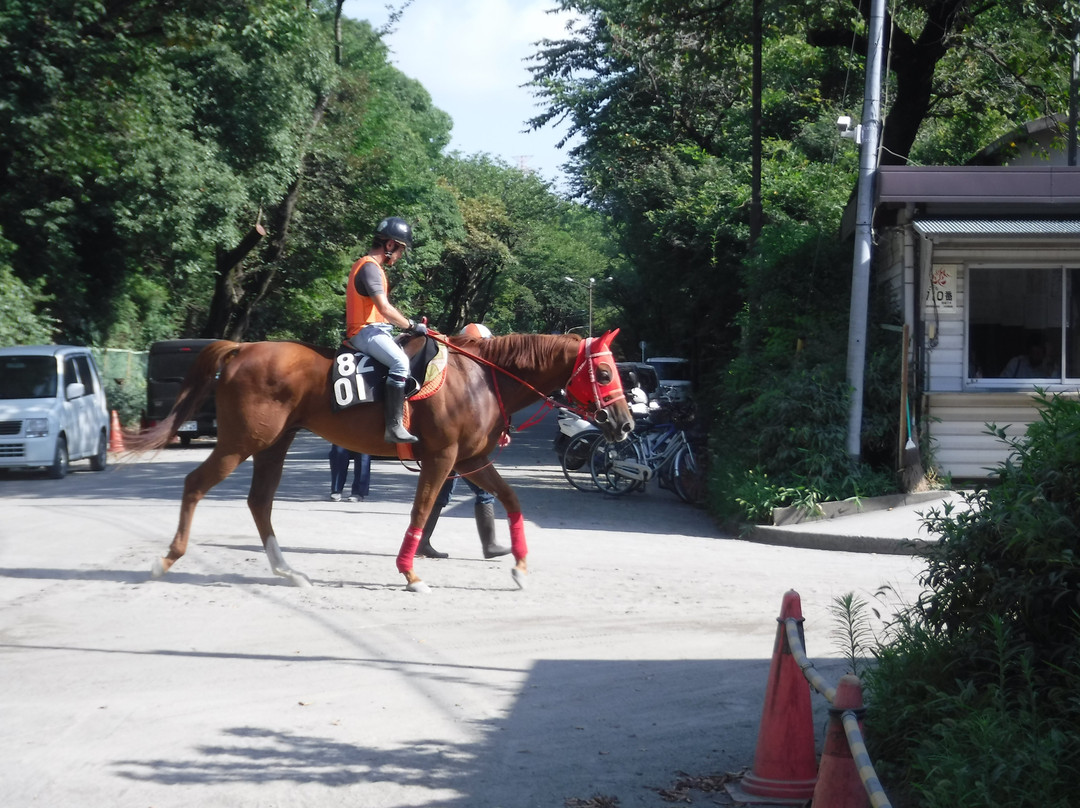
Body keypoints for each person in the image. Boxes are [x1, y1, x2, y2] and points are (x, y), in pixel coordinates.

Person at [417, 322, 511, 560]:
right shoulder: (469, 373)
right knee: (484, 491)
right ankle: (489, 545)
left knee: (440, 493)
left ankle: (423, 541)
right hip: (460, 449)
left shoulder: (458, 368)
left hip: (454, 446)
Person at [346, 216, 427, 443]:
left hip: (374, 330)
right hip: (364, 332)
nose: (400, 256)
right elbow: (385, 308)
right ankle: (394, 427)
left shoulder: (370, 267)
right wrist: (412, 325)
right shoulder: (370, 267)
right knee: (401, 363)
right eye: (400, 249)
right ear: (390, 245)